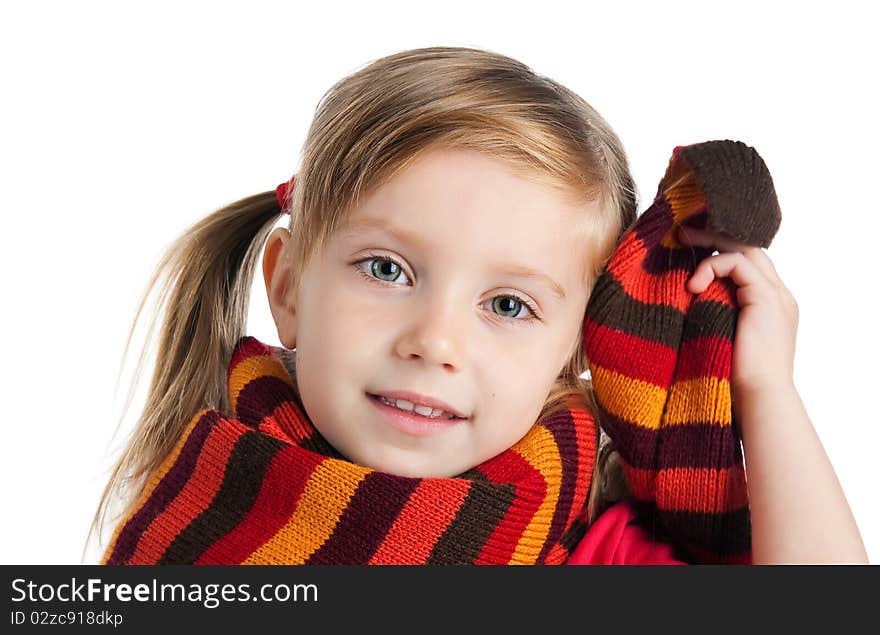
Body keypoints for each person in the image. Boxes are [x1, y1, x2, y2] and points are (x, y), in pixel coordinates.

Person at [90, 46, 867, 565]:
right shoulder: (189, 524)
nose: (435, 341)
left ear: (575, 347)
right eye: (387, 268)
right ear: (289, 288)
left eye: (506, 304)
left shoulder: (585, 547)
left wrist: (768, 391)